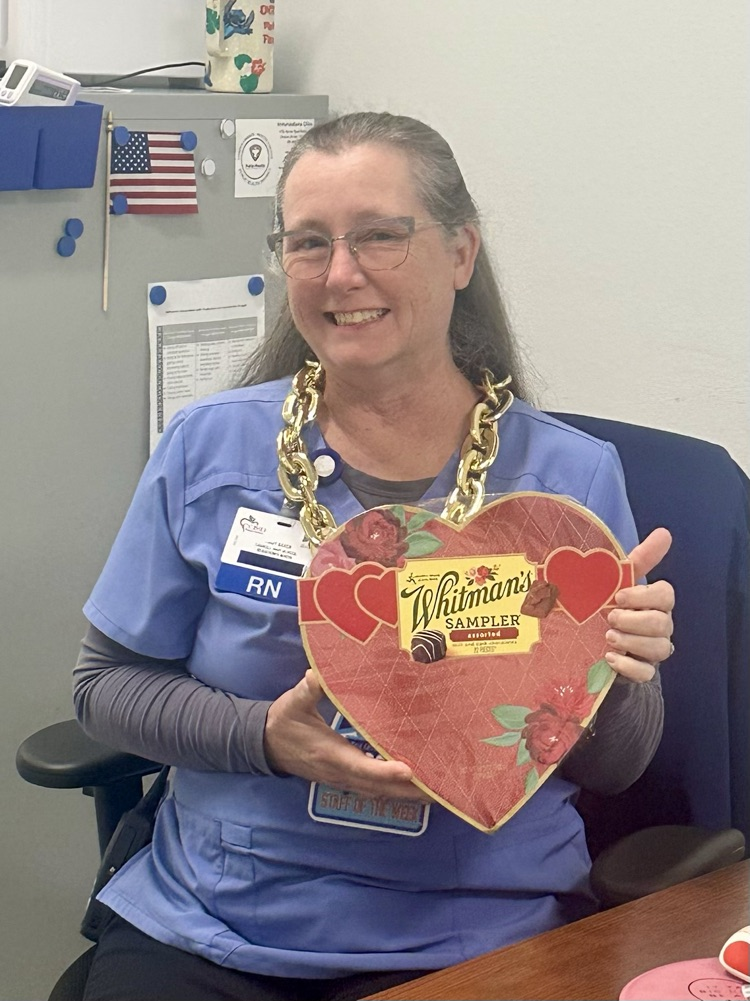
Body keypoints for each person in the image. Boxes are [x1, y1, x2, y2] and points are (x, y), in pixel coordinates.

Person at [74, 112, 674, 1001]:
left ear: (461, 253)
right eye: (308, 242)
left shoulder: (567, 481)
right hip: (224, 920)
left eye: (380, 236)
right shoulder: (210, 447)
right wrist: (264, 739)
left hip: (477, 928)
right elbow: (103, 688)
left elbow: (616, 767)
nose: (341, 273)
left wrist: (618, 670)